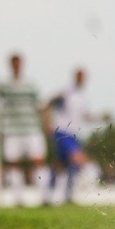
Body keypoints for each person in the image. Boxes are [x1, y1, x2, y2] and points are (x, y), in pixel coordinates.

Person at [0, 53, 49, 203]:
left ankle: (44, 197)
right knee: (13, 163)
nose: (16, 66)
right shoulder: (4, 85)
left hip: (32, 129)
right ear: (10, 65)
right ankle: (17, 199)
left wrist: (46, 122)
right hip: (12, 130)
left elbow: (40, 105)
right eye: (14, 63)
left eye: (18, 63)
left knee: (38, 161)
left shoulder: (31, 85)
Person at [45, 67, 91, 205]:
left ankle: (51, 194)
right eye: (79, 76)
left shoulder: (82, 97)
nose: (81, 79)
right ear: (75, 77)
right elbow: (47, 103)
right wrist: (47, 122)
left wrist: (100, 117)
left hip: (75, 133)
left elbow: (85, 116)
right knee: (77, 159)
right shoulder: (66, 92)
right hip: (63, 131)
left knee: (61, 165)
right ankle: (66, 194)